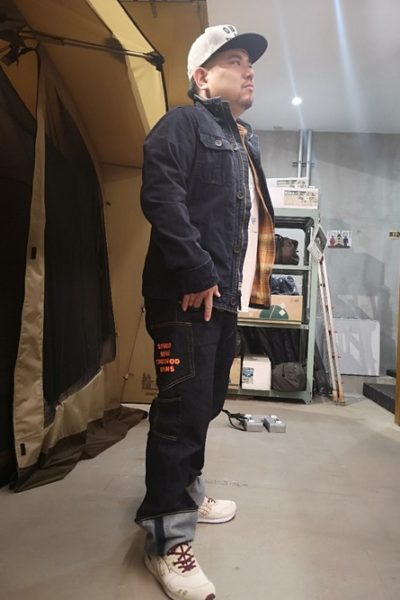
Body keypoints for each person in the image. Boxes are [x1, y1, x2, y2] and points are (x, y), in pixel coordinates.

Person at [135, 24, 275, 600]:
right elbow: (161, 195)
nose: (249, 70)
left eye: (250, 62)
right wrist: (196, 270)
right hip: (187, 294)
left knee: (207, 405)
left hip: (222, 299)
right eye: (234, 60)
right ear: (202, 76)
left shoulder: (244, 142)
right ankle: (165, 540)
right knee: (180, 414)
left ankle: (187, 494)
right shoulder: (183, 124)